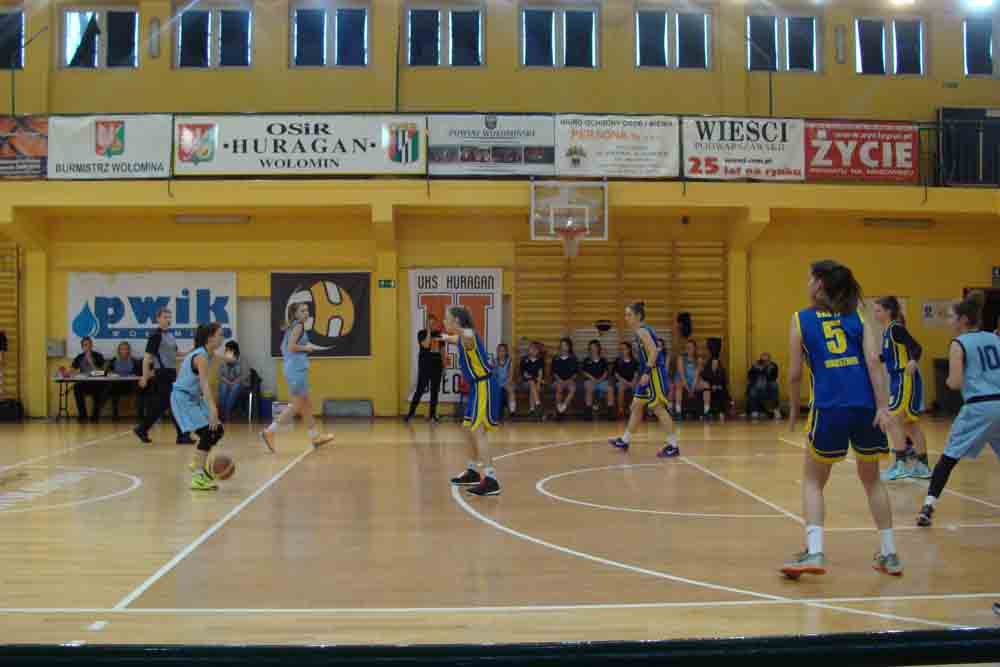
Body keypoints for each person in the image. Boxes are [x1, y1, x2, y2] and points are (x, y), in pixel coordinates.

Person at [781, 260, 901, 579]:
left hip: (829, 406)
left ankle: (815, 552)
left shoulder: (801, 319)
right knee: (872, 480)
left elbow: (794, 374)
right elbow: (874, 362)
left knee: (812, 481)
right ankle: (890, 554)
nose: (807, 284)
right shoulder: (857, 316)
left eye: (810, 279)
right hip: (865, 406)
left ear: (819, 284)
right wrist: (882, 406)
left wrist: (793, 408)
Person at [917, 292, 1000, 528]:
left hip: (980, 406)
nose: (950, 321)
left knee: (949, 457)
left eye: (952, 317)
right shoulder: (995, 338)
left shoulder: (959, 343)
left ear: (963, 320)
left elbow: (954, 382)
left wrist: (950, 381)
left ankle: (928, 507)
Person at [259, 302, 335, 452]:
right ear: (295, 314)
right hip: (296, 370)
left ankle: (315, 437)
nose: (306, 313)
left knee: (306, 404)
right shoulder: (298, 326)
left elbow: (286, 347)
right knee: (296, 405)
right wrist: (307, 348)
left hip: (295, 368)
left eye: (307, 310)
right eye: (302, 311)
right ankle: (269, 431)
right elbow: (291, 347)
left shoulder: (294, 326)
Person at [609, 302, 680, 458]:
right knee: (636, 405)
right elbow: (655, 349)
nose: (626, 317)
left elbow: (654, 351)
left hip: (653, 373)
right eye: (625, 314)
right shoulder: (641, 331)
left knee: (658, 408)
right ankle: (624, 440)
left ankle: (673, 445)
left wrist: (647, 372)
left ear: (638, 316)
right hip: (646, 373)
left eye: (629, 314)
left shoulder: (642, 330)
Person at [445, 305, 502, 497]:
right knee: (467, 428)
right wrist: (443, 337)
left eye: (447, 318)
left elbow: (468, 335)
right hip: (477, 387)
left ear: (457, 321)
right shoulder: (462, 338)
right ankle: (472, 472)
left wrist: (458, 330)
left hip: (484, 385)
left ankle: (491, 480)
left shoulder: (469, 337)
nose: (444, 321)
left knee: (478, 431)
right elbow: (455, 338)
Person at [873, 297, 932, 481]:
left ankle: (900, 464)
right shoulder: (887, 331)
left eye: (878, 310)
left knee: (894, 420)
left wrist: (914, 360)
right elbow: (892, 355)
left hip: (904, 378)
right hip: (898, 379)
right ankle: (922, 466)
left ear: (888, 311)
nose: (875, 314)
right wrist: (877, 359)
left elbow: (916, 347)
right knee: (909, 424)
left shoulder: (896, 328)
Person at [171, 323, 227, 491]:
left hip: (193, 398)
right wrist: (213, 409)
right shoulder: (201, 356)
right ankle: (197, 476)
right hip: (183, 398)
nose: (223, 338)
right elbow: (204, 384)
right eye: (220, 334)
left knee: (217, 430)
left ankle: (197, 463)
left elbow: (218, 358)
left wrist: (229, 359)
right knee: (209, 431)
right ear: (210, 338)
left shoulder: (207, 353)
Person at [134, 308, 192, 445]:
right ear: (158, 319)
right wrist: (144, 377)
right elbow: (147, 358)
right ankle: (182, 435)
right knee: (172, 404)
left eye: (169, 317)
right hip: (162, 374)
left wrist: (191, 350)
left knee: (162, 405)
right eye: (165, 317)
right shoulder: (155, 336)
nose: (168, 320)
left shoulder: (170, 336)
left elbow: (176, 355)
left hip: (171, 373)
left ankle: (142, 429)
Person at [405, 313, 444, 423]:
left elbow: (442, 350)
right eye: (429, 323)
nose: (431, 325)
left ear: (435, 323)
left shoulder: (439, 334)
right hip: (425, 366)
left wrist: (444, 364)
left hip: (437, 366)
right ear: (426, 324)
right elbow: (426, 345)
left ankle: (432, 415)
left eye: (433, 323)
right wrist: (428, 332)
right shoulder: (421, 333)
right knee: (419, 390)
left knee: (434, 392)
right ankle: (410, 414)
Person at [71, 337, 107, 423]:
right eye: (85, 345)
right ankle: (83, 415)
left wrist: (91, 362)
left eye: (89, 344)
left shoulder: (98, 356)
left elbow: (103, 372)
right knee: (76, 388)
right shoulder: (79, 357)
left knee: (102, 389)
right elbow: (72, 369)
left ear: (92, 345)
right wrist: (69, 372)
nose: (88, 347)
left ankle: (95, 416)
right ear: (82, 347)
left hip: (96, 382)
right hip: (84, 382)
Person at [106, 341, 142, 421]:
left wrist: (135, 374)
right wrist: (111, 374)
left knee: (140, 389)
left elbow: (139, 372)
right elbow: (107, 372)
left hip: (131, 384)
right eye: (122, 349)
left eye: (126, 349)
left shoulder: (134, 361)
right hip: (118, 384)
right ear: (119, 351)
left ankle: (140, 415)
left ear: (129, 350)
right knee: (112, 388)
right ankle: (115, 414)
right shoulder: (114, 360)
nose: (124, 351)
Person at [217, 341, 248, 422]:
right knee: (223, 387)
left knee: (236, 386)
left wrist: (234, 382)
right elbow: (220, 375)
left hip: (240, 383)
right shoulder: (224, 360)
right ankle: (222, 412)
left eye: (228, 350)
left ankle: (226, 412)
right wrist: (228, 382)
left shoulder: (242, 360)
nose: (226, 351)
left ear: (234, 350)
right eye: (226, 350)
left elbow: (245, 375)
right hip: (227, 382)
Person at [582, 339, 614, 420]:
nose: (593, 349)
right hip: (590, 381)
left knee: (610, 389)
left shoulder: (603, 360)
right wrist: (592, 378)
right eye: (591, 347)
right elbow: (584, 372)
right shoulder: (586, 360)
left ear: (598, 348)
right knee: (589, 388)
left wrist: (600, 380)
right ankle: (588, 414)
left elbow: (606, 372)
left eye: (594, 347)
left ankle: (611, 413)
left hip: (602, 381)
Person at [747, 353, 782, 420]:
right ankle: (754, 411)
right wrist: (756, 369)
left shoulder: (773, 366)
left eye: (766, 360)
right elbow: (749, 376)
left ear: (769, 360)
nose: (764, 362)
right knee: (752, 390)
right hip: (757, 385)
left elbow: (774, 377)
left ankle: (776, 409)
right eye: (762, 360)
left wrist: (765, 369)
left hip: (768, 385)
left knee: (774, 385)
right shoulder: (756, 365)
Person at [551, 338, 578, 420]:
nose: (563, 347)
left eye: (565, 345)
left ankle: (563, 406)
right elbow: (554, 372)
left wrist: (569, 380)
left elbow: (575, 373)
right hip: (558, 380)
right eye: (562, 345)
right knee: (559, 388)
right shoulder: (556, 358)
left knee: (573, 388)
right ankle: (558, 411)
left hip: (570, 380)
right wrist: (559, 380)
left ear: (569, 347)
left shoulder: (573, 358)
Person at [519, 341, 545, 419]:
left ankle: (532, 410)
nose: (533, 350)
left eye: (535, 349)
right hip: (525, 382)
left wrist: (538, 384)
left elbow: (540, 374)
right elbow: (524, 374)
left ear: (538, 351)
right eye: (531, 348)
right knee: (531, 382)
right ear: (528, 349)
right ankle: (538, 404)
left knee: (532, 387)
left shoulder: (540, 360)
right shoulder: (524, 359)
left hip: (536, 382)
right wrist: (529, 377)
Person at [700, 356, 731, 420]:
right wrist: (712, 386)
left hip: (719, 389)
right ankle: (707, 411)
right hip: (709, 389)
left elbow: (724, 383)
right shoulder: (706, 372)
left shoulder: (721, 372)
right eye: (713, 363)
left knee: (722, 392)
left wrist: (719, 386)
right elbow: (704, 382)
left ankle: (721, 412)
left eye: (716, 364)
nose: (715, 365)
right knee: (707, 392)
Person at [614, 342, 639, 419]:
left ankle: (635, 411)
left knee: (637, 388)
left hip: (632, 381)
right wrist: (627, 382)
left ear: (629, 350)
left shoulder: (634, 361)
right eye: (621, 349)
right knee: (620, 387)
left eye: (624, 349)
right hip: (622, 382)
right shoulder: (618, 361)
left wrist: (633, 382)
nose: (622, 351)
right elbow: (616, 375)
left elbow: (636, 374)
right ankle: (620, 410)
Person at [494, 343, 516, 419]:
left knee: (511, 390)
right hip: (498, 382)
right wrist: (497, 384)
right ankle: (495, 411)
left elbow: (511, 375)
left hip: (507, 381)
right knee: (494, 390)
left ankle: (512, 411)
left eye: (503, 351)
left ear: (506, 352)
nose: (501, 353)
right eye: (499, 351)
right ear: (497, 352)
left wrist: (507, 383)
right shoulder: (495, 361)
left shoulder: (509, 361)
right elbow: (494, 375)